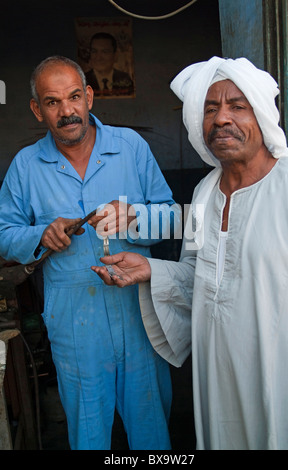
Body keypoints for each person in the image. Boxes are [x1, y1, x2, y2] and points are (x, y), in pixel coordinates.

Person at [92, 56, 288, 450]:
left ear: (261, 117)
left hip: (283, 373)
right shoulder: (204, 193)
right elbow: (200, 276)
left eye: (237, 106)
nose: (222, 119)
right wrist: (150, 269)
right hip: (218, 374)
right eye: (210, 108)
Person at [0, 55, 177, 450]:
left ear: (90, 97)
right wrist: (39, 236)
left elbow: (173, 219)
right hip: (74, 324)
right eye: (52, 102)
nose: (67, 111)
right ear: (36, 109)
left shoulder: (130, 147)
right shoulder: (26, 166)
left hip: (139, 317)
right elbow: (3, 233)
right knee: (88, 433)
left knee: (151, 430)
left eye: (75, 97)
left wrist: (135, 216)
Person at [85, 32, 134, 97]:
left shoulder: (125, 78)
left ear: (115, 55)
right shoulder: (83, 80)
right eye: (94, 51)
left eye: (105, 52)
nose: (98, 58)